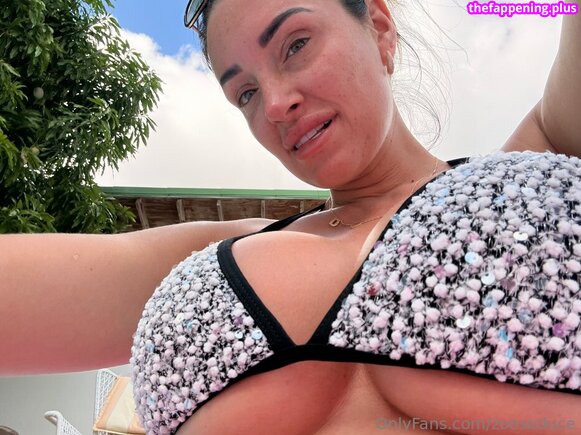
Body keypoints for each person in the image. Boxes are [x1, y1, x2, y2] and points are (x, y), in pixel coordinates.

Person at [1, 0, 580, 434]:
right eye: (245, 93)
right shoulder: (200, 266)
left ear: (380, 28)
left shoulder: (541, 162)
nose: (276, 104)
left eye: (295, 44)